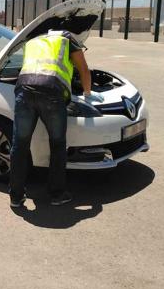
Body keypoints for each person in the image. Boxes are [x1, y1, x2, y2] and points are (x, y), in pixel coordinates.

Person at [9, 30, 103, 208]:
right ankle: (57, 194)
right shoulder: (67, 38)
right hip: (51, 92)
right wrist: (88, 93)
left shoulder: (33, 41)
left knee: (20, 144)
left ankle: (16, 196)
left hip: (23, 90)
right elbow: (83, 69)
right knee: (58, 144)